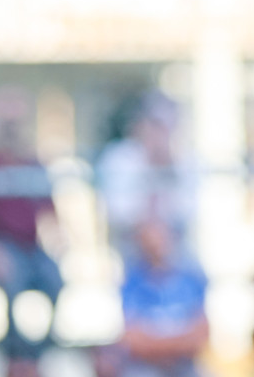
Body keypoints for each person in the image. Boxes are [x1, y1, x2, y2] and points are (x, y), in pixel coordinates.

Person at [0, 87, 63, 371]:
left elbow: (51, 212)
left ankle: (41, 353)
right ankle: (12, 355)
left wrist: (62, 242)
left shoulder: (34, 163)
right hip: (0, 244)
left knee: (55, 279)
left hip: (32, 246)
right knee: (12, 281)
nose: (11, 128)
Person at [97, 91, 196, 260]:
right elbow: (118, 212)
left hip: (176, 251)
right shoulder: (119, 159)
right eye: (156, 124)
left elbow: (190, 211)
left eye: (168, 125)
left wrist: (168, 168)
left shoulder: (187, 161)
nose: (162, 133)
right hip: (131, 248)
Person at [118, 218, 208, 377]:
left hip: (186, 366)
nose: (156, 247)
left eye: (160, 239)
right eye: (149, 242)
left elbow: (201, 336)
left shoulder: (192, 280)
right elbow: (132, 340)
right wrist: (176, 344)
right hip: (145, 367)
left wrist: (158, 344)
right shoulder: (131, 283)